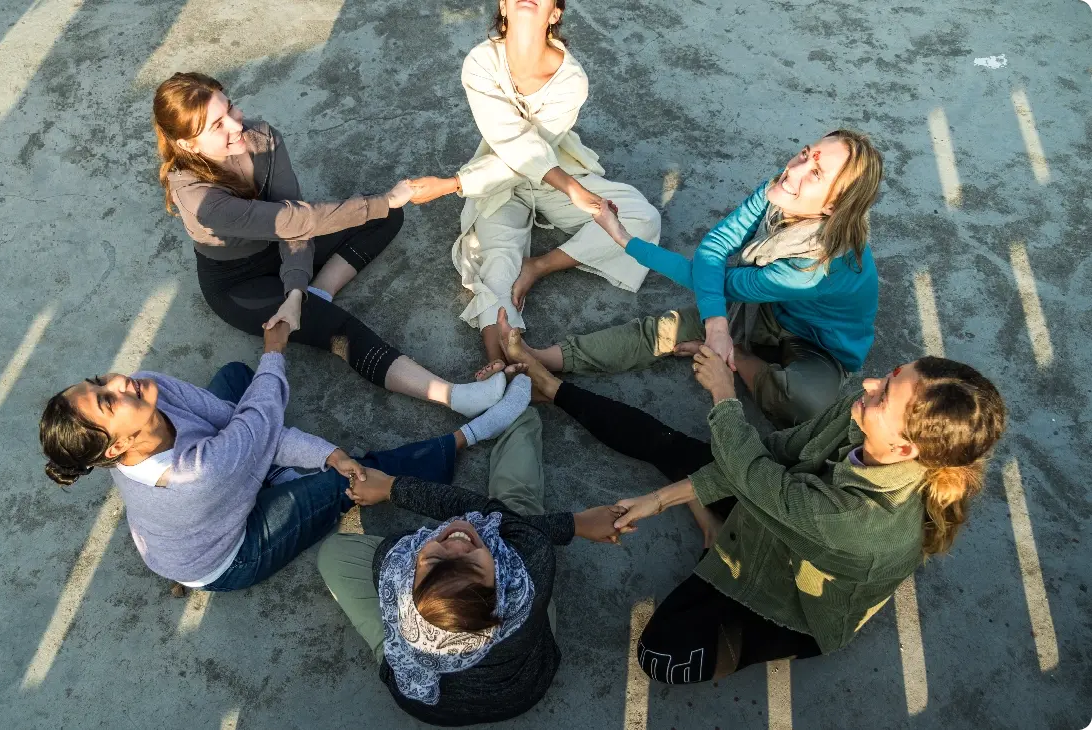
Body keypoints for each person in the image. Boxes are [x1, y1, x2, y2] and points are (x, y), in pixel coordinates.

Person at [510, 330, 1005, 684]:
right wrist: (661, 499)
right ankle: (551, 388)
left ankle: (761, 601)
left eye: (885, 396)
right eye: (892, 375)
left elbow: (753, 472)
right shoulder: (862, 411)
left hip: (792, 595)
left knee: (662, 656)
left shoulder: (862, 523)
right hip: (777, 501)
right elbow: (776, 453)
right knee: (678, 449)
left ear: (903, 449)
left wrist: (724, 395)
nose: (871, 384)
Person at [38, 321, 534, 592]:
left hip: (223, 477)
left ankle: (270, 477)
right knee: (354, 476)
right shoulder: (194, 474)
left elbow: (245, 425)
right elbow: (257, 425)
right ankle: (472, 433)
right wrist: (274, 350)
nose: (118, 383)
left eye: (99, 381)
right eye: (108, 402)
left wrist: (326, 452)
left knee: (236, 378)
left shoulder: (148, 387)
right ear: (116, 448)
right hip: (227, 555)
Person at [154, 71, 510, 419]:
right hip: (239, 282)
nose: (236, 124)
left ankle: (318, 293)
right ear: (187, 144)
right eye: (218, 125)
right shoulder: (199, 199)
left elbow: (294, 216)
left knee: (386, 216)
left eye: (230, 107)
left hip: (285, 236)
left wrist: (297, 289)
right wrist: (383, 199)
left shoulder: (261, 136)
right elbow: (295, 221)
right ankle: (455, 397)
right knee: (340, 329)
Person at [519, 130, 884, 428]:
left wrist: (625, 239)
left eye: (816, 174)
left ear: (832, 207)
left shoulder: (816, 267)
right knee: (666, 329)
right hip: (769, 308)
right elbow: (715, 248)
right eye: (805, 154)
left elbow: (715, 280)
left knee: (804, 404)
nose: (795, 169)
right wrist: (716, 324)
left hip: (817, 344)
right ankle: (546, 357)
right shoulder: (782, 188)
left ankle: (737, 356)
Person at [317, 408, 626, 725]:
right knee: (513, 512)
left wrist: (389, 487)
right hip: (521, 689)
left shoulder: (394, 567)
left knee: (333, 553)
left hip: (432, 705)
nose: (458, 542)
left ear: (410, 580)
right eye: (472, 565)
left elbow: (476, 519)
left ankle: (397, 653)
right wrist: (577, 523)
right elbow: (493, 515)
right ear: (499, 590)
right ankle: (520, 415)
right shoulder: (533, 565)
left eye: (435, 560)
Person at [406, 0, 662, 369]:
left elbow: (537, 151)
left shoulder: (571, 79)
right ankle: (501, 364)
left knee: (642, 218)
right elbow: (511, 144)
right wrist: (458, 182)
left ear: (555, 13)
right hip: (499, 179)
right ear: (503, 6)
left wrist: (453, 184)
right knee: (496, 263)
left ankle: (538, 266)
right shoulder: (481, 62)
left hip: (556, 172)